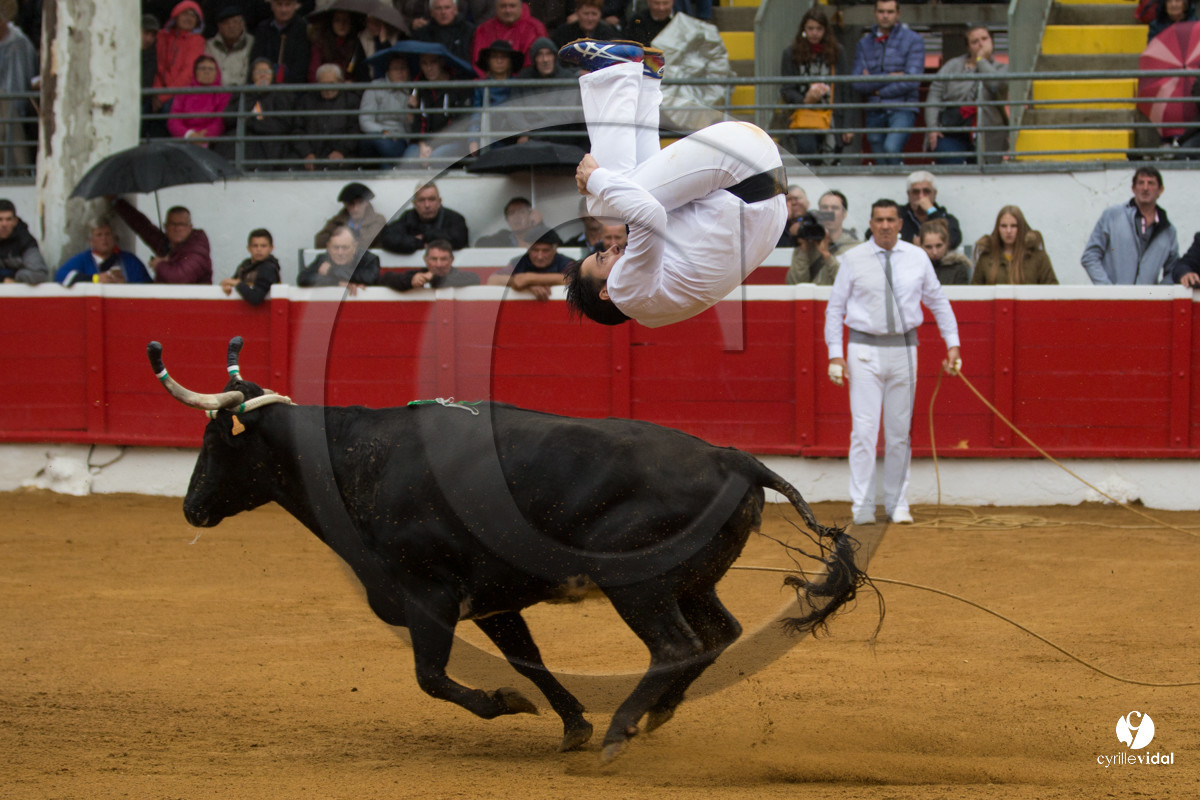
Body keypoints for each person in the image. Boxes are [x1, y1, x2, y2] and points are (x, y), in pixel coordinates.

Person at [559, 41, 787, 327]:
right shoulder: (626, 292)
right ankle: (615, 70)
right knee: (605, 207)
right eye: (604, 259)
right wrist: (594, 178)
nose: (613, 248)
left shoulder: (651, 313)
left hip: (763, 181)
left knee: (631, 197)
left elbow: (651, 204)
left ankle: (646, 78)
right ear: (606, 292)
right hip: (741, 168)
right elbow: (649, 213)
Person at [824, 199, 961, 526]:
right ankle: (863, 505)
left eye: (890, 219)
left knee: (899, 432)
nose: (885, 225)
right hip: (863, 351)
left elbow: (938, 302)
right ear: (871, 224)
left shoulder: (917, 258)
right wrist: (835, 353)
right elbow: (835, 308)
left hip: (904, 350)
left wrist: (953, 343)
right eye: (879, 220)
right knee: (864, 431)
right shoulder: (853, 259)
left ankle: (898, 503)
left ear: (901, 224)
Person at [851, 0, 924, 166]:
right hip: (874, 109)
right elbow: (857, 82)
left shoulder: (914, 40)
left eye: (890, 12)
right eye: (881, 11)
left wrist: (877, 88)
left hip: (902, 107)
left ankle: (899, 185)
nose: (885, 16)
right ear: (875, 13)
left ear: (898, 13)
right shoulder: (864, 43)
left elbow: (912, 80)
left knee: (891, 148)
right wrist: (892, 75)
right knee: (880, 160)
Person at [923, 25, 1007, 166]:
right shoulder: (953, 66)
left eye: (984, 39)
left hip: (986, 133)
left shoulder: (1002, 68)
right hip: (951, 129)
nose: (981, 44)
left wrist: (981, 61)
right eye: (975, 42)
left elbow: (994, 84)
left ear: (992, 41)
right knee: (951, 162)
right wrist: (932, 127)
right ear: (968, 47)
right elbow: (935, 94)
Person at [1081, 166, 1179, 285]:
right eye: (1141, 183)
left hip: (1147, 302)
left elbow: (1173, 270)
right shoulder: (1112, 215)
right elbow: (1090, 256)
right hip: (1112, 301)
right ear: (1133, 188)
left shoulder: (1168, 230)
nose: (1145, 188)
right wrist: (1107, 290)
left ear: (1160, 190)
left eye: (1151, 183)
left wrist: (1157, 296)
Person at [779, 9, 853, 164]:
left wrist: (847, 125)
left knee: (832, 160)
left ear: (825, 30)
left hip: (833, 117)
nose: (815, 33)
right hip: (804, 116)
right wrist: (805, 99)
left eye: (819, 29)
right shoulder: (790, 53)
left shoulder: (837, 51)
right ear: (803, 30)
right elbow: (787, 89)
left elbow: (845, 89)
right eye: (810, 28)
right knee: (807, 152)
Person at [112, 199, 213, 284]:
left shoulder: (198, 248)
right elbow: (143, 227)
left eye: (182, 224)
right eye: (173, 224)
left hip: (193, 306)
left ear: (190, 227)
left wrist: (159, 265)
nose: (177, 228)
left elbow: (179, 279)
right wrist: (116, 202)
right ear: (166, 227)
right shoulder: (168, 244)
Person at [404, 51, 477, 162]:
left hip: (453, 142)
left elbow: (459, 124)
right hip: (425, 143)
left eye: (433, 63)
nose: (429, 68)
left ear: (442, 62)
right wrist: (422, 144)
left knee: (436, 158)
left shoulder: (459, 86)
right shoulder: (419, 87)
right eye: (424, 64)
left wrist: (432, 145)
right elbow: (418, 123)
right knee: (408, 159)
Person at [512, 37, 585, 146]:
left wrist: (533, 131)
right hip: (529, 137)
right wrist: (523, 130)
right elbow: (513, 109)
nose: (545, 59)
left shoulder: (567, 78)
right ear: (534, 59)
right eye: (540, 55)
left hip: (561, 137)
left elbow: (566, 115)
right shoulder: (524, 77)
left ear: (554, 57)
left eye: (548, 54)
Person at [295, 63, 360, 169]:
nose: (328, 88)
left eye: (331, 83)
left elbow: (354, 130)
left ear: (340, 82)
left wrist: (341, 151)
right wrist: (307, 153)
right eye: (324, 83)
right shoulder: (306, 101)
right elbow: (297, 130)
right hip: (310, 153)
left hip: (342, 153)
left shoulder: (351, 101)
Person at [972, 206, 1058, 285]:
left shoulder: (1038, 257)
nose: (1008, 231)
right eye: (1004, 226)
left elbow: (1052, 291)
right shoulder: (985, 258)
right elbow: (975, 294)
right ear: (997, 228)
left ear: (1021, 227)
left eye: (1014, 226)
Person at [0, 0, 38, 176]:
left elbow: (17, 93)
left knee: (7, 110)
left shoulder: (18, 43)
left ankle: (19, 172)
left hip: (13, 114)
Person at [55, 219, 152, 286]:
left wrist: (125, 285)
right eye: (99, 235)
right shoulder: (83, 260)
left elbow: (148, 287)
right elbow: (61, 276)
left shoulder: (130, 261)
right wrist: (95, 279)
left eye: (107, 234)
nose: (104, 238)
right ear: (90, 241)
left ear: (113, 237)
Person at [380, 182, 471, 254]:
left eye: (431, 199)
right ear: (415, 204)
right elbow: (387, 238)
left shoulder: (454, 218)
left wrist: (426, 236)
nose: (427, 205)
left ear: (439, 202)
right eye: (421, 200)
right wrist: (417, 243)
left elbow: (459, 239)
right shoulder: (408, 217)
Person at [242, 57, 296, 169]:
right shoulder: (243, 93)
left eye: (267, 72)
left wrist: (253, 123)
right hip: (247, 143)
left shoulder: (282, 94)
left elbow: (284, 124)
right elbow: (231, 119)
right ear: (251, 75)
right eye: (258, 72)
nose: (263, 75)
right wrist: (255, 94)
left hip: (273, 143)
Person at [487, 229, 571, 300]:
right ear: (528, 249)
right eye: (535, 250)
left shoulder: (565, 262)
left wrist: (527, 279)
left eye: (545, 251)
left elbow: (574, 278)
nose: (540, 256)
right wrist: (527, 286)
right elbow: (493, 280)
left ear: (555, 249)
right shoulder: (519, 262)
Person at [154, 1, 207, 113]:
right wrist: (156, 93)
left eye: (193, 16)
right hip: (158, 92)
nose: (188, 18)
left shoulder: (197, 41)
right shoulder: (162, 36)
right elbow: (157, 67)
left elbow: (188, 75)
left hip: (183, 93)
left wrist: (163, 97)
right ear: (176, 16)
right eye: (185, 14)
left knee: (168, 110)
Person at [471, 0, 548, 77]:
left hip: (526, 84)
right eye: (503, 6)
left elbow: (535, 62)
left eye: (512, 6)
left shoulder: (535, 29)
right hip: (491, 84)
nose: (508, 11)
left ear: (520, 7)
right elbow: (478, 63)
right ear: (496, 8)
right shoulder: (483, 30)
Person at [167, 55, 231, 145]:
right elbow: (174, 120)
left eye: (211, 69)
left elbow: (220, 122)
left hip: (212, 142)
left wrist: (204, 137)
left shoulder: (223, 94)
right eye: (202, 68)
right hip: (185, 140)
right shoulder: (184, 92)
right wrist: (190, 135)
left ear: (217, 72)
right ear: (195, 72)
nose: (207, 72)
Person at [359, 54, 412, 162]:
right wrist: (383, 131)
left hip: (399, 138)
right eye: (395, 68)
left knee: (389, 154)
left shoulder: (413, 90)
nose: (400, 72)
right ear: (388, 71)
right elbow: (365, 121)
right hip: (376, 134)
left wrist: (411, 112)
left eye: (403, 68)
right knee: (384, 145)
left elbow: (411, 129)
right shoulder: (375, 86)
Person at [472, 39, 524, 149]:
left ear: (510, 61)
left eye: (504, 57)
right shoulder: (481, 87)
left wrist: (525, 134)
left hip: (513, 136)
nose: (499, 61)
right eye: (495, 57)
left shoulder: (519, 85)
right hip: (487, 136)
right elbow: (476, 115)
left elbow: (525, 113)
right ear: (488, 61)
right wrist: (473, 140)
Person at [298, 225, 381, 292]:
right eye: (335, 247)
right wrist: (337, 283)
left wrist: (332, 270)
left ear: (355, 247)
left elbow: (369, 279)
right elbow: (304, 278)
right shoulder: (324, 258)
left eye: (345, 247)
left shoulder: (369, 259)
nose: (340, 253)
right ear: (328, 247)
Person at [378, 239, 482, 291]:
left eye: (443, 259)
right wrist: (411, 280)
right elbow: (386, 278)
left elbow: (474, 278)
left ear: (452, 260)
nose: (439, 264)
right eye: (434, 259)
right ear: (426, 260)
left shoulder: (460, 276)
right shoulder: (421, 274)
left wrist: (433, 277)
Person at [250, 0, 310, 84]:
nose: (283, 10)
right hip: (266, 86)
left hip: (294, 89)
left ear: (295, 6)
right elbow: (257, 59)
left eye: (288, 5)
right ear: (272, 6)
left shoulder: (303, 28)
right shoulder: (263, 29)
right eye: (279, 5)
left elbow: (302, 65)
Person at [899, 171, 962, 251]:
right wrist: (912, 240)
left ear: (934, 194)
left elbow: (954, 239)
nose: (921, 196)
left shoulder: (945, 217)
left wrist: (931, 211)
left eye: (926, 191)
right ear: (908, 194)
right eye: (916, 192)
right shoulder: (899, 216)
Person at [315, 182, 387, 251]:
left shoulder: (377, 220)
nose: (355, 208)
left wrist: (338, 242)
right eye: (351, 203)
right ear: (345, 205)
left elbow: (365, 243)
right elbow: (320, 241)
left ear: (366, 203)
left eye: (360, 202)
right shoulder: (338, 221)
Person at [812, 190, 863, 286]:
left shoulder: (857, 248)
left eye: (834, 208)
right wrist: (802, 250)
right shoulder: (810, 242)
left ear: (844, 214)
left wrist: (827, 256)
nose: (829, 213)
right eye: (824, 208)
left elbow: (853, 284)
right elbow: (793, 283)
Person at [307, 8, 370, 84]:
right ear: (331, 22)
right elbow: (313, 73)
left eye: (345, 20)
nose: (342, 25)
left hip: (349, 91)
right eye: (337, 20)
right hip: (324, 88)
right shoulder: (320, 43)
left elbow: (363, 75)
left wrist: (353, 83)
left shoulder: (356, 45)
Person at [220, 228, 281, 305]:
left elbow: (256, 297)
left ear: (271, 248)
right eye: (255, 246)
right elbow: (233, 281)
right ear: (248, 248)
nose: (259, 249)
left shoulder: (268, 268)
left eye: (263, 246)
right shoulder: (245, 265)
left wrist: (237, 284)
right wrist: (227, 285)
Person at [0, 198, 48, 284]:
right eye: (0, 219)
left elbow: (39, 274)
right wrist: (2, 278)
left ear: (15, 221)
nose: (4, 224)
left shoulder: (25, 241)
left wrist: (15, 277)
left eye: (8, 219)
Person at [414, 0, 476, 65]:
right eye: (438, 8)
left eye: (447, 7)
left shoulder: (469, 31)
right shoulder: (422, 34)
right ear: (431, 12)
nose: (443, 12)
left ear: (455, 10)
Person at [204, 6, 254, 85]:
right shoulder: (209, 46)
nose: (231, 26)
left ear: (243, 24)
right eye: (226, 23)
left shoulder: (252, 43)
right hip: (215, 93)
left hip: (243, 94)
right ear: (219, 26)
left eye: (235, 22)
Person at [475, 196, 548, 247]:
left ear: (531, 216)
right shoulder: (503, 238)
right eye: (511, 213)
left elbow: (556, 245)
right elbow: (480, 244)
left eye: (521, 212)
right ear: (507, 220)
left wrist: (540, 225)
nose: (516, 217)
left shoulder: (541, 236)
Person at [917, 219, 970, 286]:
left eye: (939, 246)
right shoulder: (913, 267)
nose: (934, 252)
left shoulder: (958, 268)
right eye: (928, 247)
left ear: (947, 243)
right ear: (921, 246)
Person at [552, 0, 619, 48]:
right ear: (577, 13)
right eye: (586, 14)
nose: (590, 18)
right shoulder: (563, 33)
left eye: (594, 14)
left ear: (600, 14)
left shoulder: (609, 33)